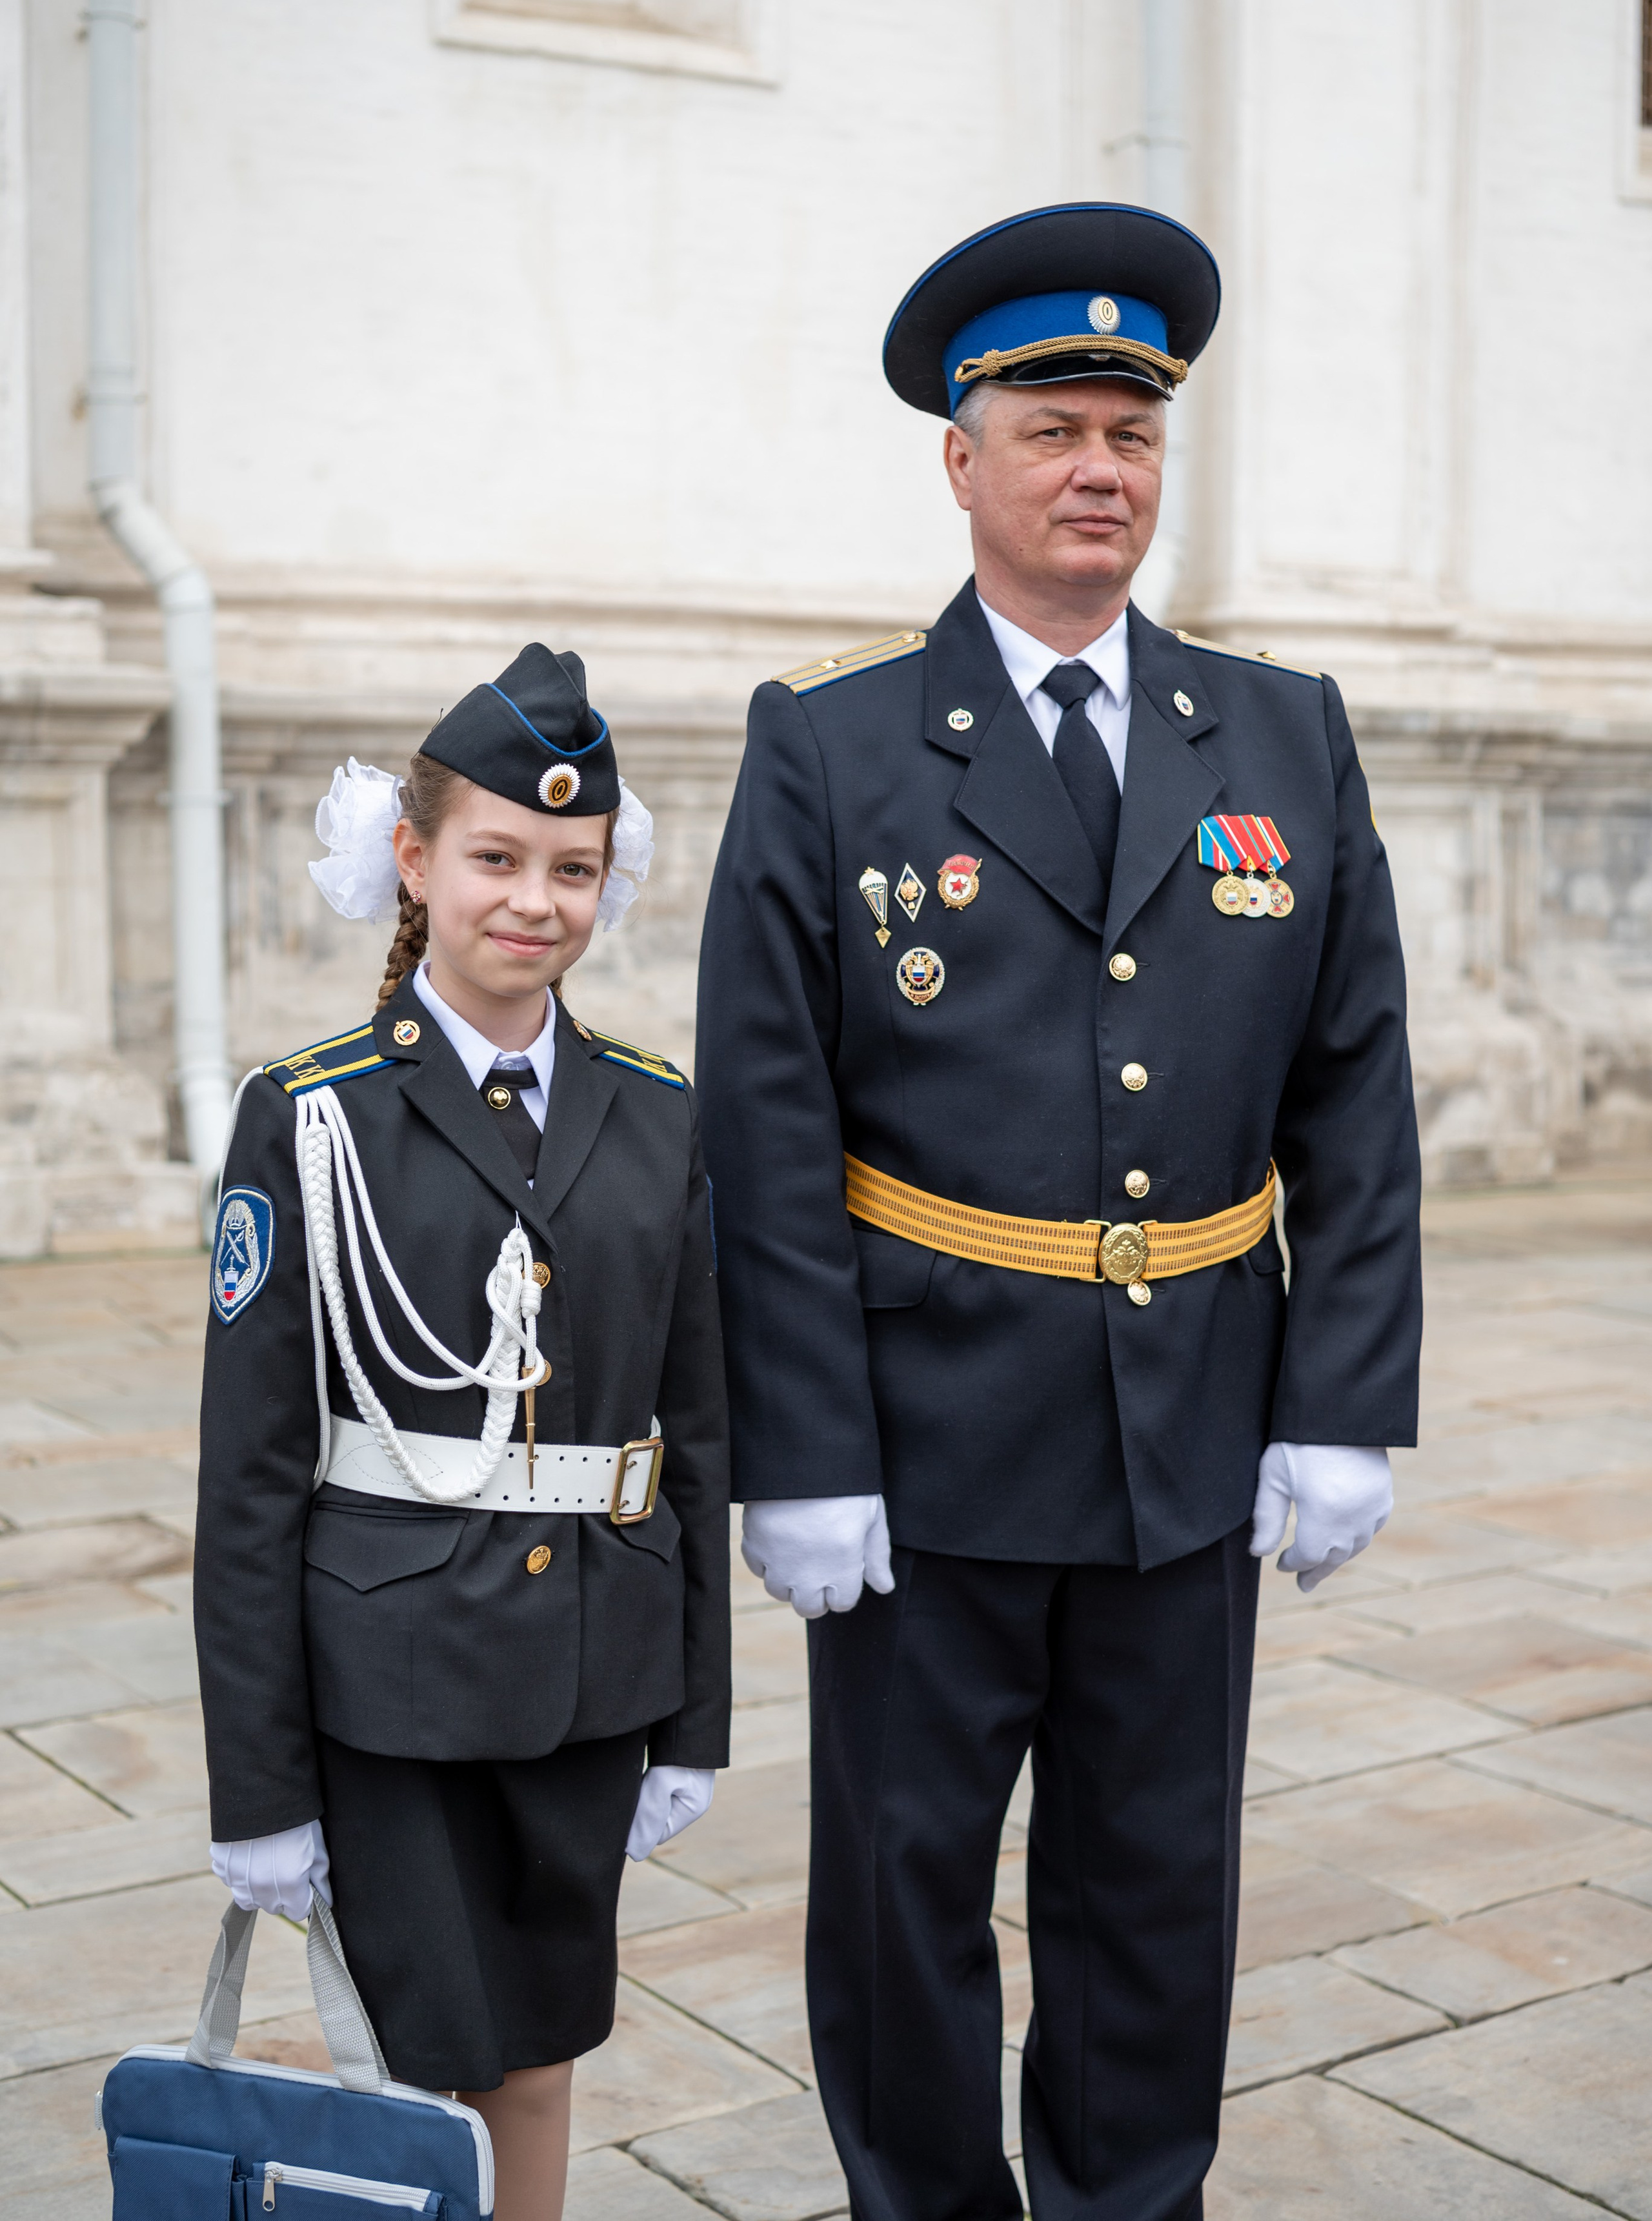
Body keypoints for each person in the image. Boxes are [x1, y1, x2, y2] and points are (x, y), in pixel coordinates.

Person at [695, 203, 1421, 2220]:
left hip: (1188, 1425)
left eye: (1133, 431)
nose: (1101, 468)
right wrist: (802, 1450)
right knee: (907, 1889)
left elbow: (1352, 1083)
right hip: (925, 1448)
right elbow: (767, 1120)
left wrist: (1341, 1393)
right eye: (1054, 429)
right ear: (963, 456)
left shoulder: (1280, 733)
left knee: (1155, 1885)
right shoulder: (833, 747)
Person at [194, 645, 731, 2221]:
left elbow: (691, 1435)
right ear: (413, 862)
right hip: (394, 1683)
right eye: (496, 857)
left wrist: (694, 1717)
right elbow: (249, 1480)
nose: (534, 901)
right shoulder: (313, 1114)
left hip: (589, 1668)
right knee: (417, 2052)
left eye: (572, 868)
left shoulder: (656, 1112)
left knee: (548, 2037)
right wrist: (257, 1786)